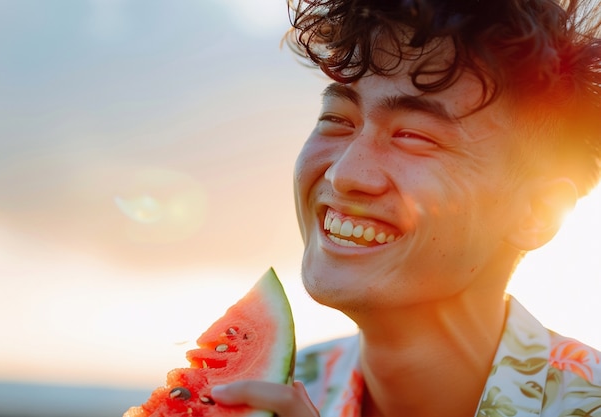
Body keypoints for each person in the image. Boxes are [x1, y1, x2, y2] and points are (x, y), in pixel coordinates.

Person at [210, 0, 601, 416]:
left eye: (413, 136)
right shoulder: (276, 385)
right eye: (338, 119)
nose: (344, 174)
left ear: (537, 211)